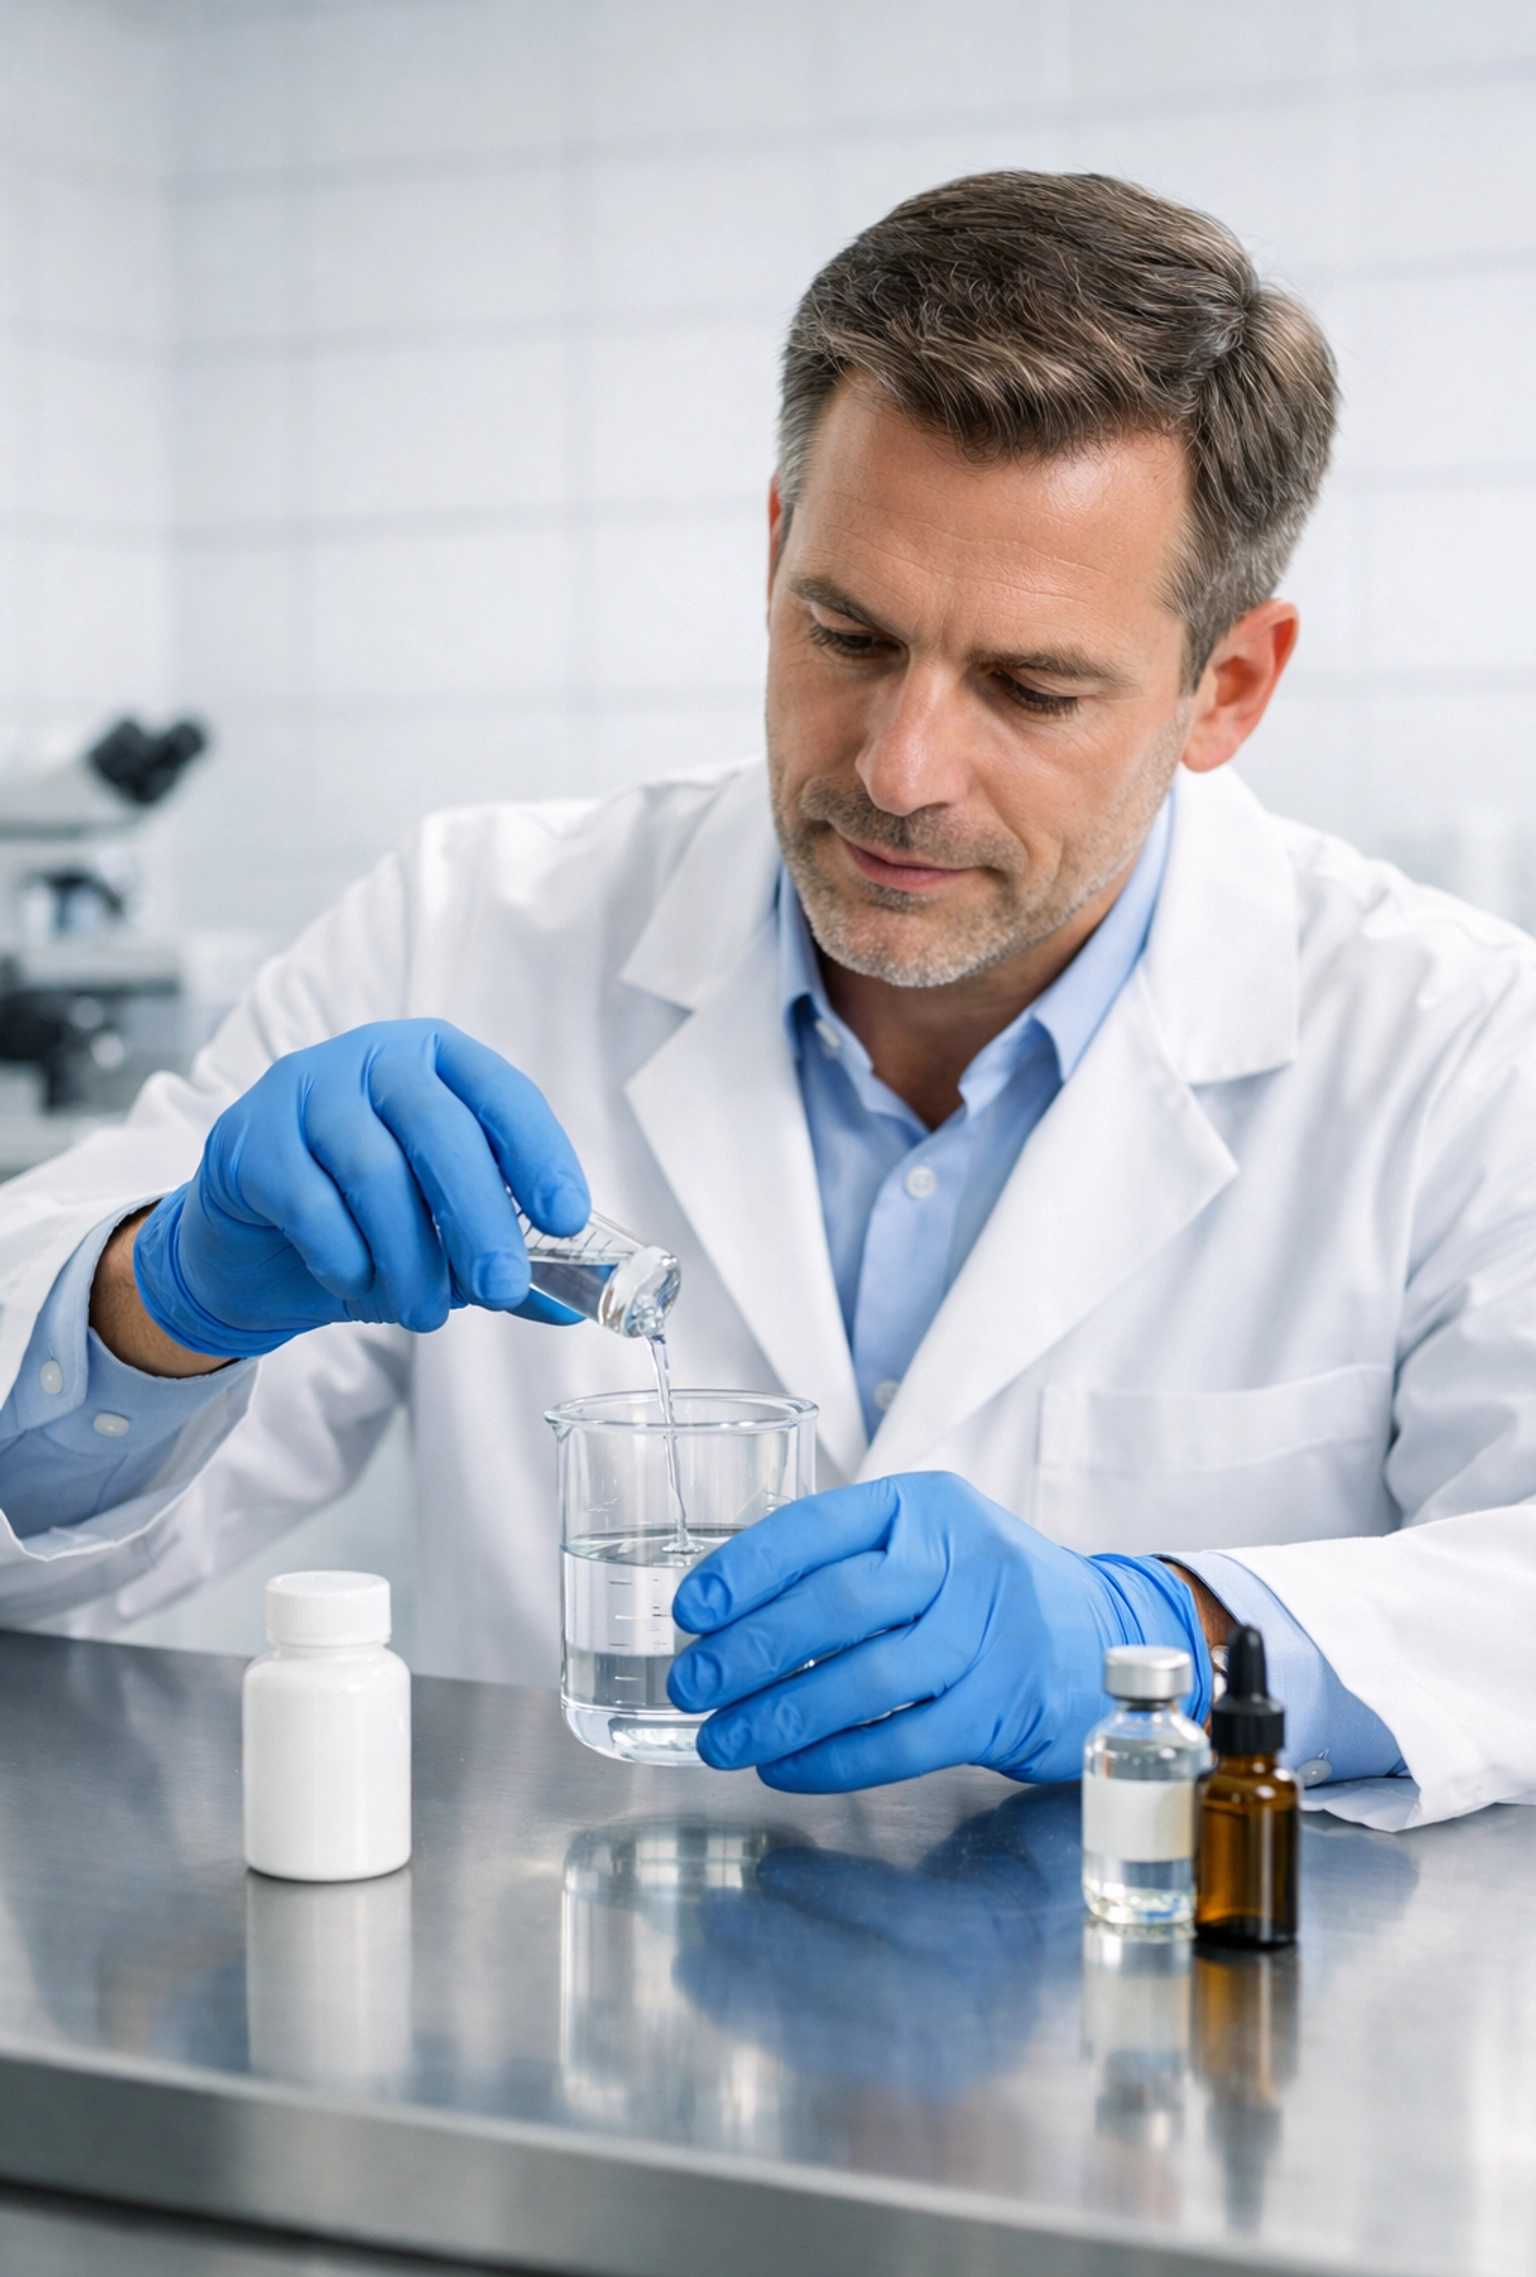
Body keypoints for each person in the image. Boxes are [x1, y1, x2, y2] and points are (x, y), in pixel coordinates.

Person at [0, 172, 1530, 1833]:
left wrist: (1158, 1631)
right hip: (566, 1971)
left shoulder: (1447, 1045)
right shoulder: (466, 926)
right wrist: (159, 1299)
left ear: (1226, 684)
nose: (900, 770)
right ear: (777, 544)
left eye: (1031, 687)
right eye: (848, 634)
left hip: (1164, 1985)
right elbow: (48, 1553)